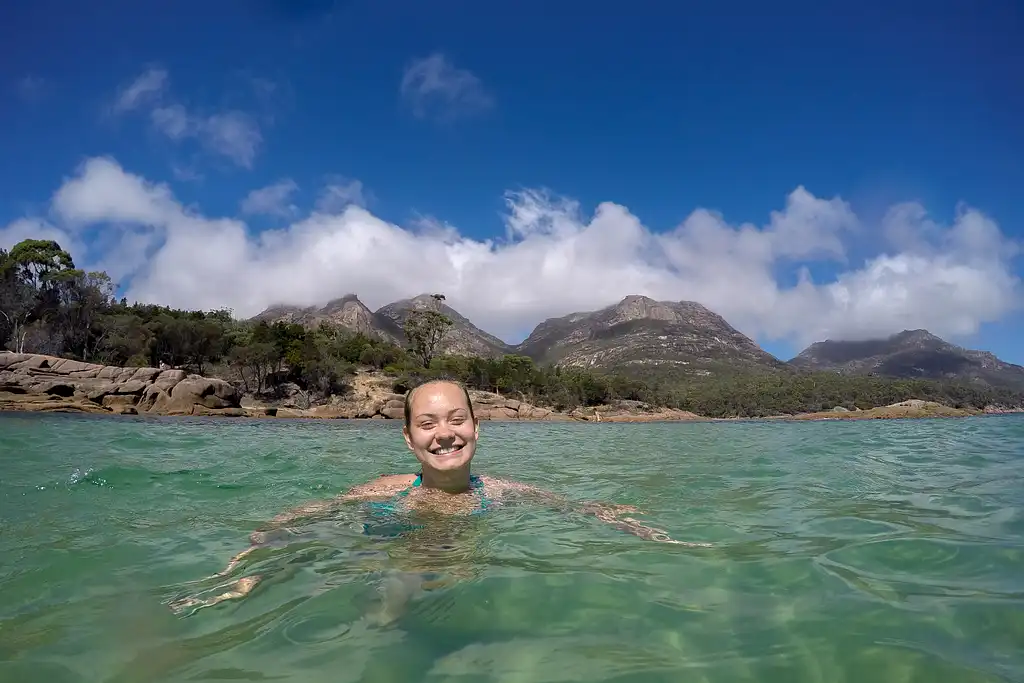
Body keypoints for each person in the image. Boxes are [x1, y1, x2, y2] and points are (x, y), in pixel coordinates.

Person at [169, 379, 709, 614]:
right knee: (376, 585)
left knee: (414, 587)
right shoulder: (383, 489)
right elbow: (298, 520)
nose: (443, 433)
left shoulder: (502, 491)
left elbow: (576, 508)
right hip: (377, 542)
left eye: (456, 420)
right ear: (408, 437)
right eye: (427, 423)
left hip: (436, 561)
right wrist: (250, 563)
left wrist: (628, 522)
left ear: (478, 428)